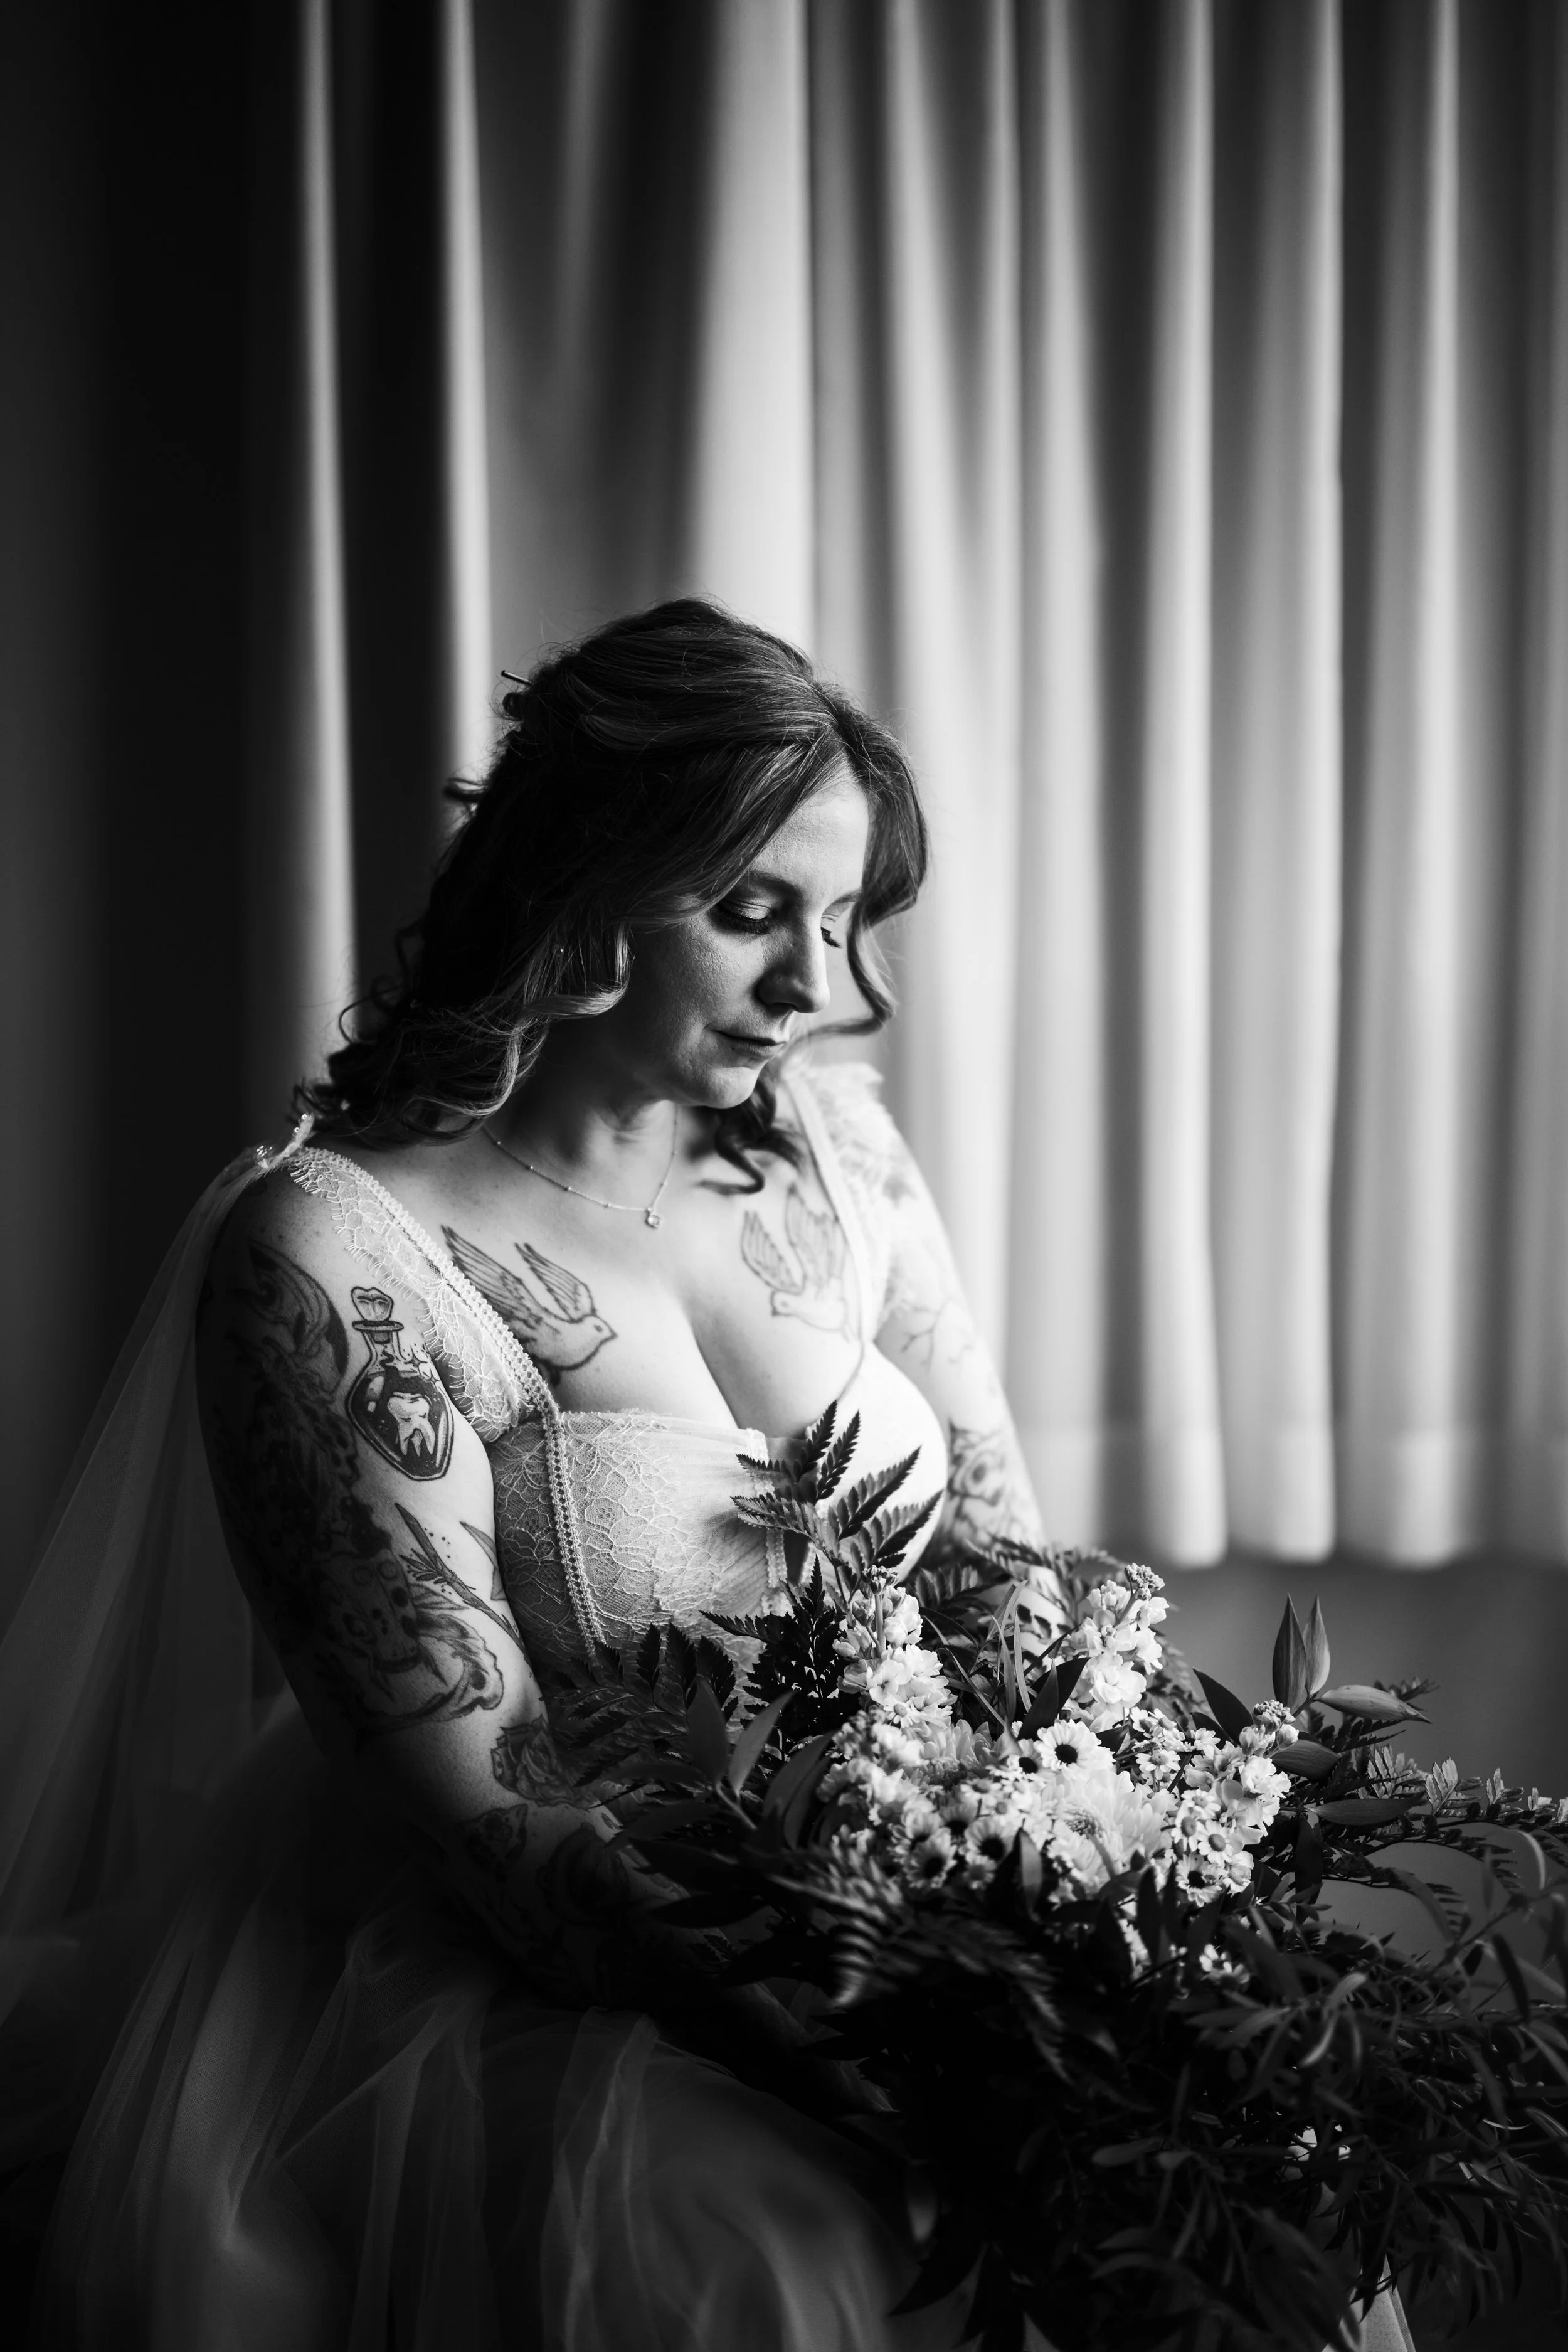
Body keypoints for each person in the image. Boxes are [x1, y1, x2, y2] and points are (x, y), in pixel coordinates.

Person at [1, 600, 1411, 2349]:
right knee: (773, 2252)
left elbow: (1010, 1590)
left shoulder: (845, 1159)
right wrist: (876, 2061)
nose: (817, 988)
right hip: (545, 1970)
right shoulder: (337, 1261)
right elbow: (503, 1825)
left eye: (840, 920)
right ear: (582, 886)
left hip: (917, 1920)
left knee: (1247, 2185)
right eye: (751, 911)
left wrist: (1105, 1933)